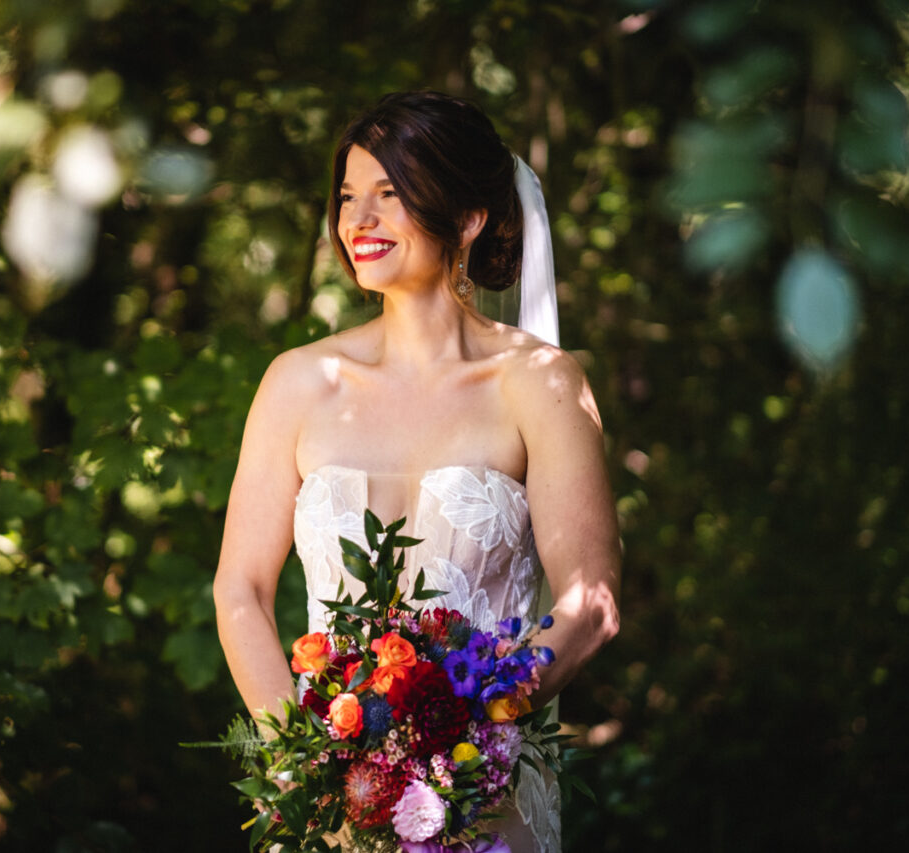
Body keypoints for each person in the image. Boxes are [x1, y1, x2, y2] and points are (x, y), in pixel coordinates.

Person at [214, 90, 621, 853]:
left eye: (389, 196)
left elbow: (589, 603)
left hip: (485, 792)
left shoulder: (540, 382)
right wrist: (306, 764)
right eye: (347, 198)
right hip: (332, 800)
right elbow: (241, 588)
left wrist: (471, 732)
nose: (357, 221)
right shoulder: (298, 382)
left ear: (467, 217)